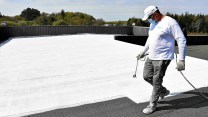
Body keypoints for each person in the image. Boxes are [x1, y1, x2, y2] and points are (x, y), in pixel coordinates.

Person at [137, 6, 186, 114]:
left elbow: (181, 39)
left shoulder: (170, 22)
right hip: (151, 55)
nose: (149, 20)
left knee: (156, 81)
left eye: (150, 17)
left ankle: (152, 105)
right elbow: (150, 39)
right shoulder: (153, 23)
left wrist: (181, 60)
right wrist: (143, 51)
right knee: (146, 76)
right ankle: (163, 91)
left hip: (163, 57)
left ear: (155, 14)